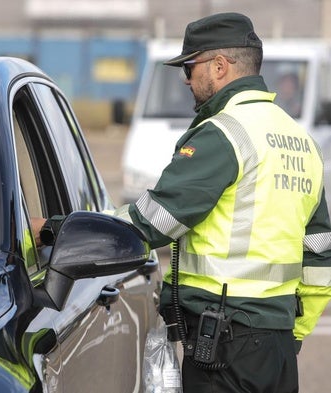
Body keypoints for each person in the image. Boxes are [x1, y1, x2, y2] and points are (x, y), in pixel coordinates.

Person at [112, 12, 331, 392]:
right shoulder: (300, 141)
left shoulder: (224, 134)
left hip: (226, 347)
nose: (185, 78)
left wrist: (65, 228)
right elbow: (320, 252)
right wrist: (294, 332)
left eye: (190, 66)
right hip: (277, 349)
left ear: (219, 66)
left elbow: (153, 221)